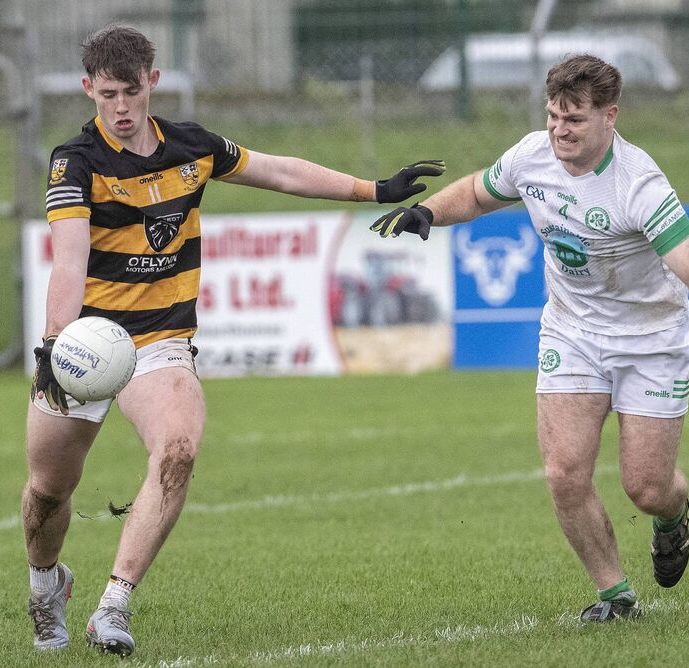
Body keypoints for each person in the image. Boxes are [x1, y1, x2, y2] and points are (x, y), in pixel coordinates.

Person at [25, 24, 444, 656]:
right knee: (47, 492)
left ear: (153, 82)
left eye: (131, 91)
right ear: (88, 89)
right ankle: (45, 584)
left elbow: (277, 171)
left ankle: (113, 606)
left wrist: (372, 190)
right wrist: (53, 346)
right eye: (107, 94)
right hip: (84, 344)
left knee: (177, 450)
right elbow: (69, 259)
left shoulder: (191, 146)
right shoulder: (75, 161)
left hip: (159, 342)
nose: (120, 107)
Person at [371, 54, 689, 622]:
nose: (559, 129)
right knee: (564, 473)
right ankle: (616, 596)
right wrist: (429, 213)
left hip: (651, 340)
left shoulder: (639, 184)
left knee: (647, 488)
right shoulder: (531, 156)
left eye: (574, 119)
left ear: (610, 116)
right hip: (573, 330)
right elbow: (479, 193)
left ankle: (672, 515)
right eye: (553, 116)